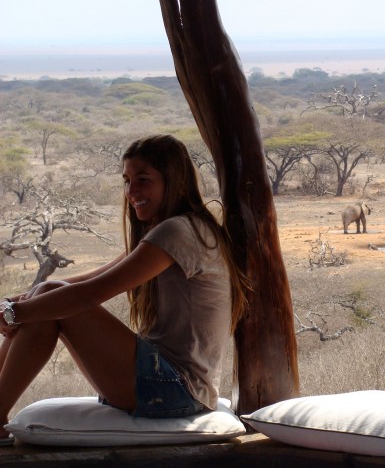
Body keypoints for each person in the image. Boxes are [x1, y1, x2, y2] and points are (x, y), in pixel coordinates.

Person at [0, 134, 247, 445]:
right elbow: (90, 279)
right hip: (164, 383)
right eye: (127, 181)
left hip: (176, 388)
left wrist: (16, 312)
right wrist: (13, 303)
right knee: (48, 295)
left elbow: (92, 293)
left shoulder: (178, 232)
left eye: (143, 180)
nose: (131, 191)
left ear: (175, 181)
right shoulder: (173, 229)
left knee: (51, 301)